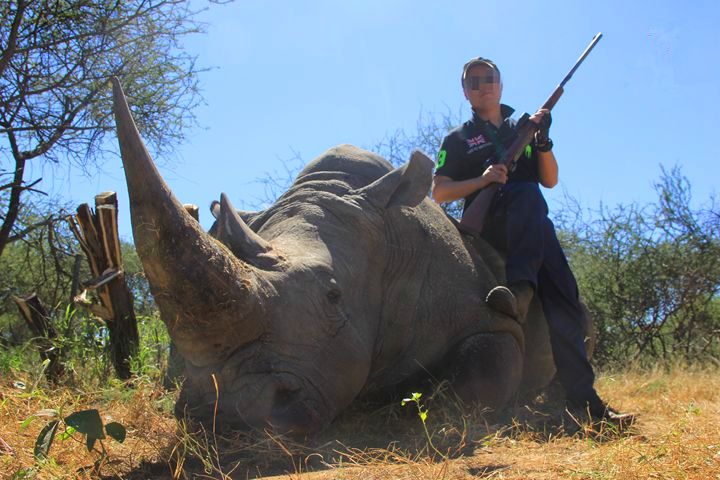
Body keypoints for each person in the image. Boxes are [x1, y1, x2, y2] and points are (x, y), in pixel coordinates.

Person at [431, 56, 634, 427]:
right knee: (526, 195)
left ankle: (585, 401)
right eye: (473, 81)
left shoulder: (522, 125)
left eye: (489, 78)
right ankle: (522, 287)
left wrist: (542, 142)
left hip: (532, 225)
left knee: (566, 299)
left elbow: (551, 180)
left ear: (501, 83)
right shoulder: (457, 139)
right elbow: (440, 192)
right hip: (490, 225)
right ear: (465, 92)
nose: (483, 85)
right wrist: (483, 180)